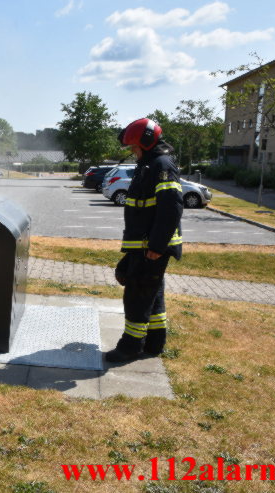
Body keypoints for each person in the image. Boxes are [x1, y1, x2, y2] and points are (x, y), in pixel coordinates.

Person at [106, 118, 183, 363]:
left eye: (134, 146)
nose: (132, 151)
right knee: (152, 292)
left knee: (138, 294)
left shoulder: (161, 165)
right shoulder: (150, 163)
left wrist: (157, 246)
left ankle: (130, 346)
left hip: (152, 246)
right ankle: (154, 341)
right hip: (145, 245)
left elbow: (171, 208)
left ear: (146, 143)